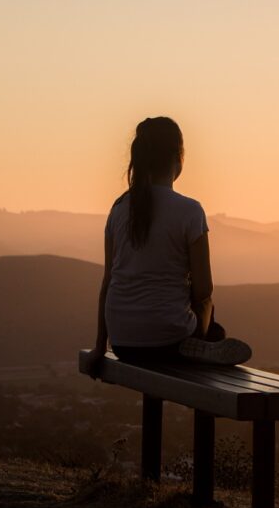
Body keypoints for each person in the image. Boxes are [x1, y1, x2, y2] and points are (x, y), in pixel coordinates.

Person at [83, 116, 251, 376]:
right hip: (170, 340)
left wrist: (98, 348)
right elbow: (204, 290)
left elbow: (108, 283)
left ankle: (202, 343)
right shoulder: (190, 211)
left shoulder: (118, 208)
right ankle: (204, 343)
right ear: (178, 157)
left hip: (123, 343)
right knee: (211, 314)